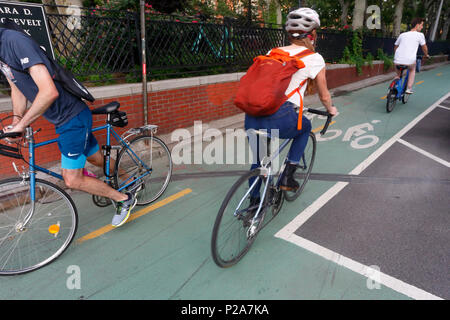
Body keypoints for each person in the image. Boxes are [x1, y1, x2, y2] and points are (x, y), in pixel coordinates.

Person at [0, 25, 136, 228]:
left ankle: (123, 199)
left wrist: (22, 124)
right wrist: (15, 122)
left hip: (71, 117)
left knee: (72, 179)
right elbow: (17, 88)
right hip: (65, 119)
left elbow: (49, 91)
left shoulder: (14, 41)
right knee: (96, 158)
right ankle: (127, 178)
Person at [244, 7, 337, 199]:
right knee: (305, 127)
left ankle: (253, 204)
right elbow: (324, 96)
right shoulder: (315, 58)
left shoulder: (273, 51)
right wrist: (331, 109)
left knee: (259, 161)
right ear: (312, 34)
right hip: (280, 116)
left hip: (253, 114)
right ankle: (287, 176)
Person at [393, 17, 430, 94]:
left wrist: (397, 55)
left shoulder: (402, 34)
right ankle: (409, 88)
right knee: (412, 70)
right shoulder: (420, 35)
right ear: (417, 25)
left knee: (398, 75)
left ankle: (393, 87)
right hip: (409, 61)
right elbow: (424, 47)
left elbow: (396, 46)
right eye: (422, 25)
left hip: (397, 60)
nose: (422, 27)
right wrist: (426, 55)